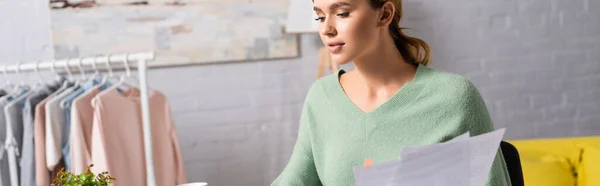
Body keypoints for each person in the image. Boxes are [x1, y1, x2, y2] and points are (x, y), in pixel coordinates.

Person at [271, 0, 512, 185]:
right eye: (319, 16)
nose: (327, 29)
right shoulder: (321, 96)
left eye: (342, 13)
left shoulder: (455, 97)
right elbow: (296, 179)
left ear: (384, 14)